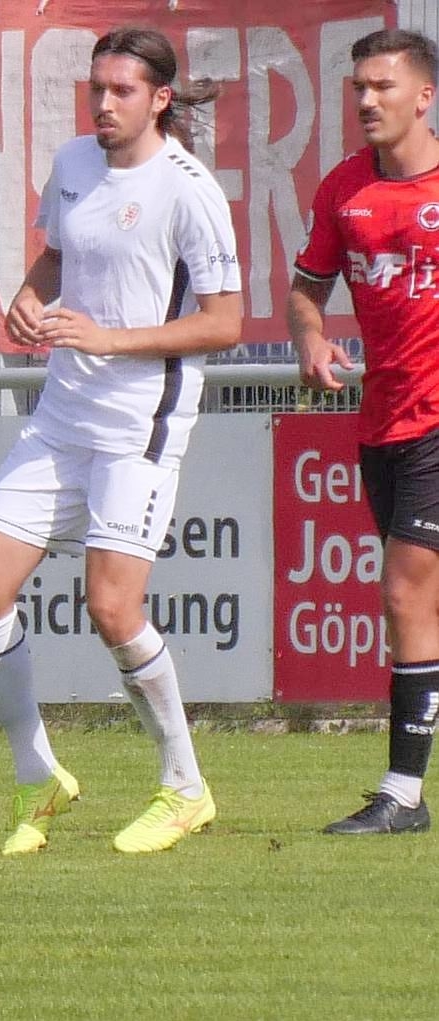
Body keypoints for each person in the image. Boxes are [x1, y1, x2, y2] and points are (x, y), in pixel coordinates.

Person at [0, 27, 243, 856]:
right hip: (61, 415)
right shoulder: (74, 163)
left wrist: (110, 340)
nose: (104, 104)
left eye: (122, 91)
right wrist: (27, 295)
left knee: (112, 609)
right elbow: (56, 256)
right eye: (96, 89)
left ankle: (184, 787)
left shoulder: (189, 190)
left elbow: (225, 323)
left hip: (138, 421)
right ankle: (37, 775)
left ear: (159, 98)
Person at [289, 28, 439, 836]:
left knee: (405, 591)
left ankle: (401, 795)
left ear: (423, 96)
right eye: (357, 88)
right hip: (383, 421)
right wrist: (310, 341)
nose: (366, 101)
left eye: (382, 86)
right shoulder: (343, 187)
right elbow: (305, 289)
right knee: (420, 603)